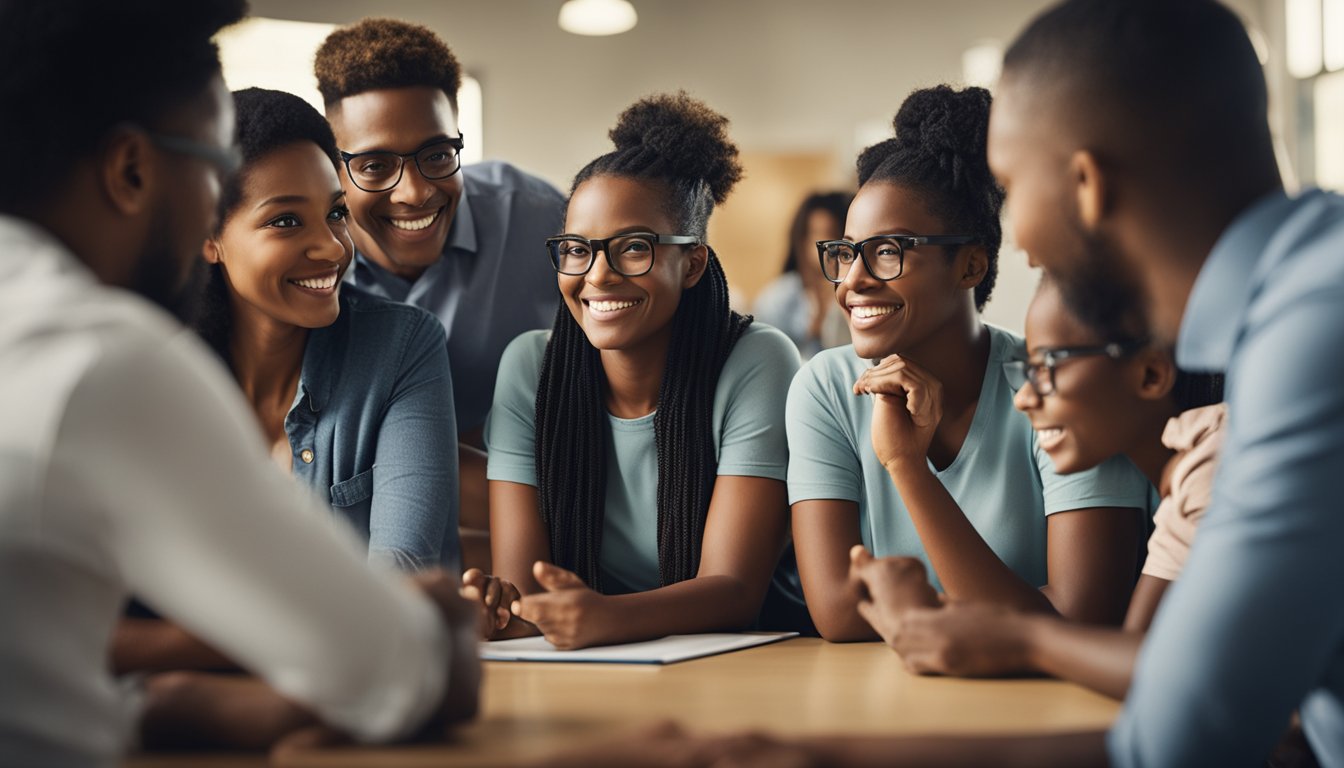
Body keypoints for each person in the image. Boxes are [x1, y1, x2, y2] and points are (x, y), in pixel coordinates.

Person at [551, 1, 1344, 765]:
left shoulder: (1308, 345)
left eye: (1012, 185)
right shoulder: (1297, 307)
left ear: (1085, 185)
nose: (1019, 242)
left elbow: (1194, 726)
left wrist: (1004, 646)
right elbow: (1193, 716)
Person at [0, 1, 478, 762]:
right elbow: (403, 672)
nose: (331, 246)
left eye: (334, 215)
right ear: (132, 170)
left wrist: (174, 683)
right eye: (215, 167)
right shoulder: (107, 356)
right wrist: (417, 631)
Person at [111, 87, 463, 673]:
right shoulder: (154, 374)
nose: (330, 247)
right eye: (285, 221)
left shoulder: (403, 346)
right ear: (211, 236)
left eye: (334, 213)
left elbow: (399, 588)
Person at [787, 84, 1152, 643]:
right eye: (847, 251)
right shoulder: (826, 388)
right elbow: (839, 613)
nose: (853, 280)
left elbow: (1083, 618)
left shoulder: (1062, 386)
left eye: (888, 251)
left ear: (971, 265)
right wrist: (1017, 609)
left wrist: (908, 468)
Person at [462, 92, 807, 648]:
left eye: (633, 248)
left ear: (691, 262)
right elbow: (530, 594)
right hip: (590, 667)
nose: (597, 275)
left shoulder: (757, 360)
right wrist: (500, 611)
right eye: (577, 249)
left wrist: (606, 617)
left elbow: (734, 589)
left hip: (740, 661)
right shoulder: (530, 367)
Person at [867, 276, 1225, 700]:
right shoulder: (1182, 482)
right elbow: (1133, 668)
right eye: (1029, 369)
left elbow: (1162, 683)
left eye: (1050, 367)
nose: (1023, 398)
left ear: (1150, 374)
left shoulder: (1218, 467)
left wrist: (1022, 640)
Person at [314, 18, 566, 566]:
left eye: (436, 153)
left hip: (566, 521)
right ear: (334, 166)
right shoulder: (312, 273)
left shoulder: (544, 223)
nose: (415, 192)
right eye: (375, 165)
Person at [752, 191, 854, 359]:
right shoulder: (778, 298)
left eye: (836, 234)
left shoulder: (857, 293)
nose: (830, 245)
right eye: (819, 233)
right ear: (802, 239)